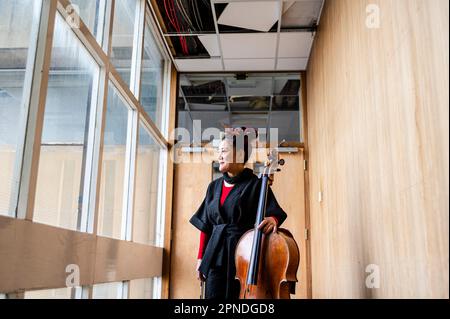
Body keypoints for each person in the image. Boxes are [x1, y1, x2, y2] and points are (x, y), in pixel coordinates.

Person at [189, 127, 287, 299]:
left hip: (243, 257)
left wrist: (273, 219)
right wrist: (201, 258)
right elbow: (206, 226)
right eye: (218, 151)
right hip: (215, 255)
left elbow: (274, 212)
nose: (219, 156)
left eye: (224, 151)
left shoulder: (256, 184)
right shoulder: (213, 187)